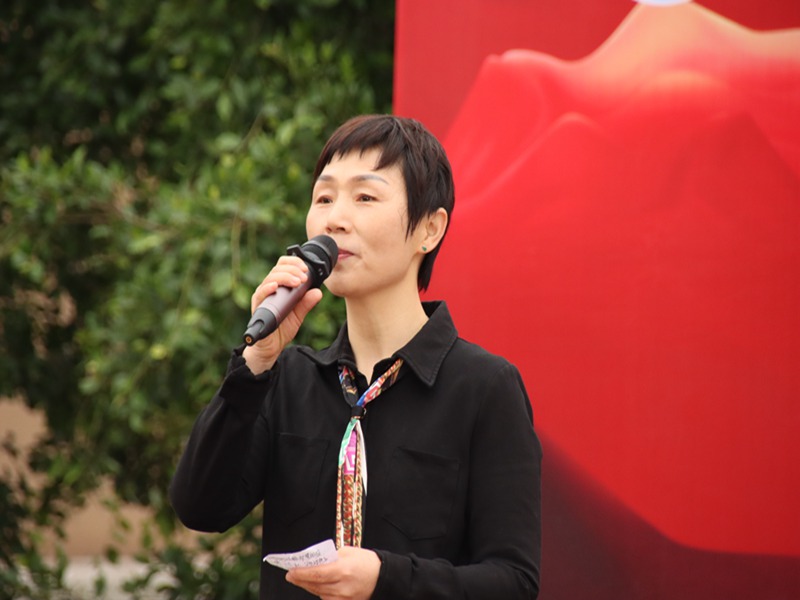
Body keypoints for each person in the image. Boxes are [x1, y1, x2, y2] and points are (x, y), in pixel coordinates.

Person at [169, 114, 542, 599]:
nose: (334, 219)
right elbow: (200, 507)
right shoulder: (289, 379)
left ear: (430, 229)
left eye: (365, 197)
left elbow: (513, 583)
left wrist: (385, 579)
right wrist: (254, 364)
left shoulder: (484, 388)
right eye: (324, 198)